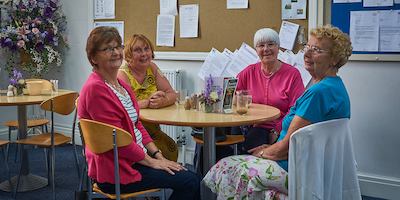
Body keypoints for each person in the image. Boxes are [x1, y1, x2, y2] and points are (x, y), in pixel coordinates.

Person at [203, 24, 352, 199]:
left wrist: (263, 153)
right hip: (311, 165)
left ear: (334, 59)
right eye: (308, 47)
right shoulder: (335, 87)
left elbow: (287, 146)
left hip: (295, 169)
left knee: (225, 166)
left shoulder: (317, 93)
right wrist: (272, 148)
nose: (307, 54)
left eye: (317, 50)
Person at [79, 26, 200, 200]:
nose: (115, 52)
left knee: (189, 176)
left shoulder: (122, 87)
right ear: (93, 58)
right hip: (117, 169)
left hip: (134, 159)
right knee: (190, 181)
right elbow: (118, 141)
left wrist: (158, 155)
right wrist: (153, 162)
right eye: (107, 49)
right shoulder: (96, 89)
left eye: (117, 47)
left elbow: (136, 124)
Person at [234, 28, 305, 152]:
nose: (266, 49)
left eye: (271, 44)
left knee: (251, 143)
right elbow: (232, 97)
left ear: (278, 47)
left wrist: (277, 130)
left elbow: (297, 109)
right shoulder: (249, 72)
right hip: (250, 124)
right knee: (218, 140)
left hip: (278, 127)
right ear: (256, 50)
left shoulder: (292, 74)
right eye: (261, 45)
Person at [117, 34, 178, 161]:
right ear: (129, 55)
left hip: (153, 129)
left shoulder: (153, 68)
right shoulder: (122, 74)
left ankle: (166, 176)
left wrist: (162, 101)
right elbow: (124, 106)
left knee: (172, 147)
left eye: (146, 49)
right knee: (165, 150)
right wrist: (148, 102)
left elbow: (172, 94)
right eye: (138, 50)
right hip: (132, 132)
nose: (144, 54)